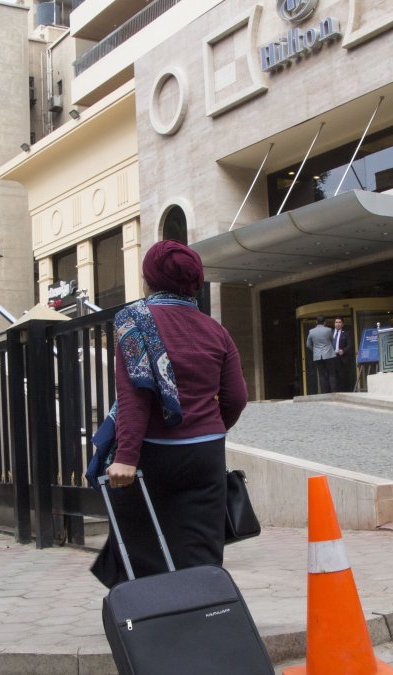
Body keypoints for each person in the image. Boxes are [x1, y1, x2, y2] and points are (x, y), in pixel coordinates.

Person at [91, 240, 248, 588]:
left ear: (149, 280)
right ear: (195, 282)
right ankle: (206, 616)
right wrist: (207, 429)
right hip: (205, 452)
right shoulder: (216, 330)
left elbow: (134, 397)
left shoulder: (132, 323)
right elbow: (237, 397)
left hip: (153, 453)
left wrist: (127, 457)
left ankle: (157, 624)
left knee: (143, 546)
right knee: (202, 549)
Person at [305, 316, 340, 394]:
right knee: (332, 373)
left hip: (317, 356)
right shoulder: (328, 330)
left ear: (316, 322)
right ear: (325, 322)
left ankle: (324, 392)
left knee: (321, 374)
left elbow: (308, 344)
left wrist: (315, 350)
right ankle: (334, 392)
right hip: (329, 355)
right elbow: (332, 340)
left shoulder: (311, 331)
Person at [332, 317, 352, 392]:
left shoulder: (346, 333)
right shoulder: (330, 333)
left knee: (342, 377)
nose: (338, 324)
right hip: (332, 358)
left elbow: (350, 345)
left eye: (339, 322)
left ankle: (343, 392)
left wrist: (343, 350)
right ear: (334, 324)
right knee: (333, 377)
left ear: (342, 324)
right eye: (336, 322)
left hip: (342, 358)